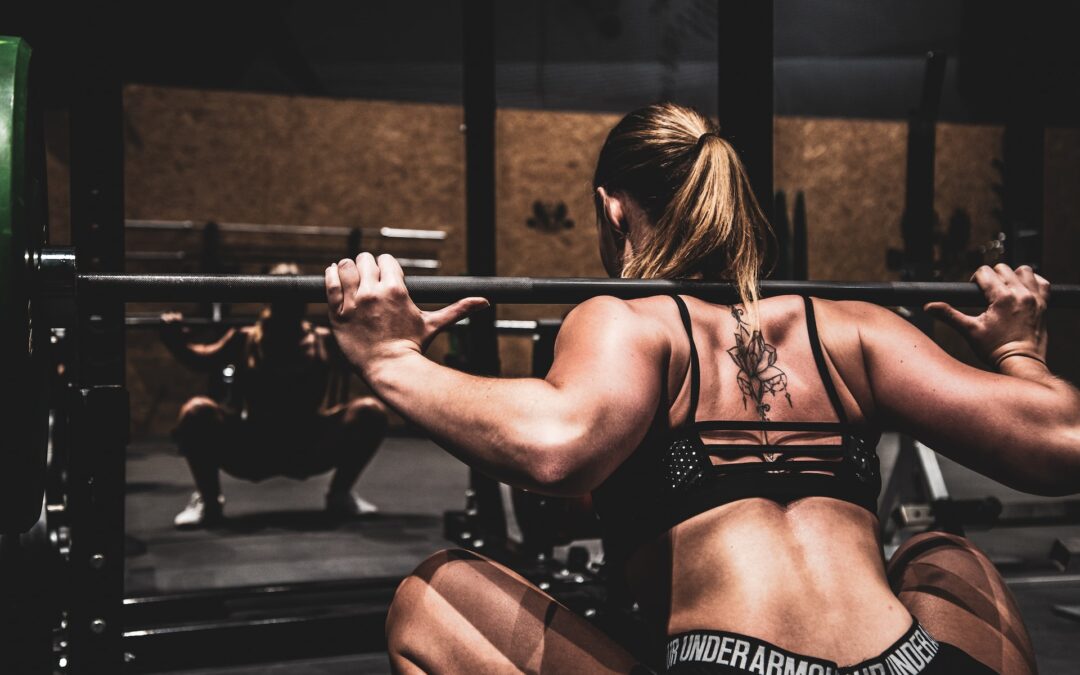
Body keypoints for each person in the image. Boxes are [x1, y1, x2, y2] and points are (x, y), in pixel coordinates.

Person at [325, 104, 1078, 674]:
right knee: (947, 553)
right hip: (906, 663)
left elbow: (556, 446)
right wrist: (1018, 348)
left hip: (731, 664)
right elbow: (1060, 442)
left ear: (613, 207)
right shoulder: (853, 327)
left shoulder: (628, 322)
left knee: (434, 593)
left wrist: (391, 357)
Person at [162, 262, 388, 529]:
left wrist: (369, 328)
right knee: (196, 411)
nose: (289, 305)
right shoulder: (244, 338)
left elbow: (368, 362)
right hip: (253, 447)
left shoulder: (323, 340)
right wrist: (175, 340)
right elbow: (199, 359)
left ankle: (340, 495)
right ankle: (209, 501)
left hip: (308, 444)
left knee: (370, 412)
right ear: (270, 299)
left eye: (295, 298)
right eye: (283, 298)